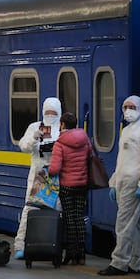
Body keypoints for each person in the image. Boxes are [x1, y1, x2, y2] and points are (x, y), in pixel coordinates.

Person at [98, 95, 140, 276]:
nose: (128, 110)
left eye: (132, 107)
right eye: (125, 107)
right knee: (138, 223)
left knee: (123, 223)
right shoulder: (127, 131)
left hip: (134, 182)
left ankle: (119, 262)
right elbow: (122, 160)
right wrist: (114, 182)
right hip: (124, 181)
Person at [13, 97, 62, 260]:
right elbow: (24, 147)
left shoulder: (62, 128)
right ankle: (21, 245)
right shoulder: (35, 126)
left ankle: (53, 244)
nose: (50, 115)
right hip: (38, 175)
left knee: (57, 209)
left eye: (53, 112)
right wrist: (34, 137)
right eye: (47, 112)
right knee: (30, 208)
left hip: (57, 174)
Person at [48, 112, 91, 265]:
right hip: (82, 185)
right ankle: (81, 254)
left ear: (63, 125)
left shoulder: (60, 143)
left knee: (69, 218)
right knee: (79, 217)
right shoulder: (85, 140)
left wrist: (47, 170)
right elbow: (90, 157)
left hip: (67, 186)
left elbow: (54, 169)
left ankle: (71, 253)